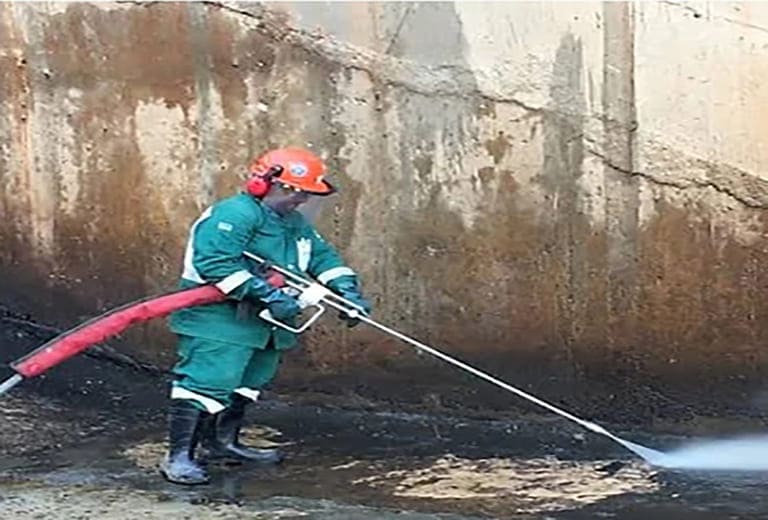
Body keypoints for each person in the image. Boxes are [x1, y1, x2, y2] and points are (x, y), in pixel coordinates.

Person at [159, 147, 372, 485]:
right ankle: (179, 456)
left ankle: (222, 443)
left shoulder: (293, 223)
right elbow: (214, 264)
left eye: (306, 193)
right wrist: (267, 294)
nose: (302, 200)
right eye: (297, 192)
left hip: (267, 324)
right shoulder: (233, 215)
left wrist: (347, 291)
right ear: (270, 185)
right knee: (208, 381)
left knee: (247, 382)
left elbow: (322, 257)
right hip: (221, 321)